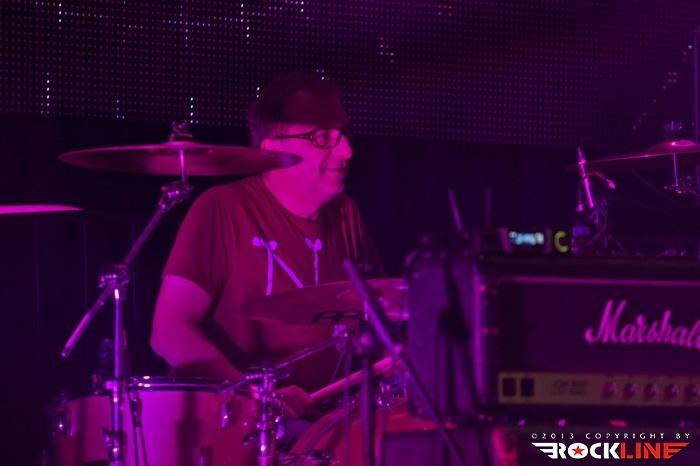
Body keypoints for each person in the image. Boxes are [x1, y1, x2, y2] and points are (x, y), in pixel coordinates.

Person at [150, 72, 383, 418]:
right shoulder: (223, 208)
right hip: (243, 426)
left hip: (330, 424)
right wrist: (255, 395)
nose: (347, 150)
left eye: (344, 135)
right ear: (274, 150)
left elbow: (383, 316)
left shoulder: (345, 215)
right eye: (324, 137)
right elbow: (169, 331)